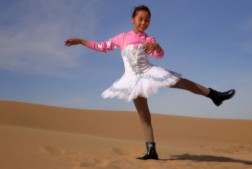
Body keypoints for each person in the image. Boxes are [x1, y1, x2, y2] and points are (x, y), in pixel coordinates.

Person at [65, 5, 235, 160]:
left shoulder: (149, 38)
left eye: (147, 20)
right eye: (141, 19)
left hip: (149, 72)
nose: (144, 23)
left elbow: (159, 55)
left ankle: (214, 95)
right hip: (131, 79)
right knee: (144, 115)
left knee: (181, 82)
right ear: (133, 19)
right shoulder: (122, 37)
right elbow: (101, 46)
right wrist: (81, 41)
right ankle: (151, 151)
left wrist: (157, 46)